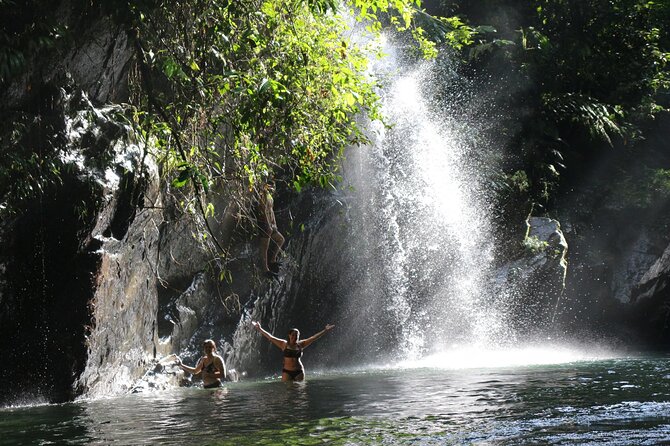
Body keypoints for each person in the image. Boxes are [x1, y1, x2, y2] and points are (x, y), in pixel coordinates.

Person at [251, 321, 335, 381]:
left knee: (299, 394)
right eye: (293, 335)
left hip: (299, 371)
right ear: (289, 335)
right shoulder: (283, 344)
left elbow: (313, 338)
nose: (295, 337)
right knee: (288, 392)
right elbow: (270, 337)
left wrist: (325, 330)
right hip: (287, 371)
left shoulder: (301, 344)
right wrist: (259, 329)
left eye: (297, 335)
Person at [259, 182, 285, 278]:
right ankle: (265, 269)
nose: (272, 188)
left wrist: (274, 224)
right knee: (264, 247)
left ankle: (273, 260)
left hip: (271, 224)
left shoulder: (270, 197)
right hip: (264, 224)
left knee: (281, 239)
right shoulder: (262, 196)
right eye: (270, 186)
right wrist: (268, 225)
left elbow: (271, 211)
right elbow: (263, 210)